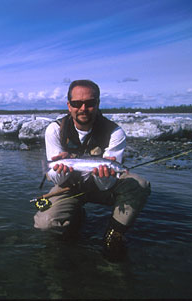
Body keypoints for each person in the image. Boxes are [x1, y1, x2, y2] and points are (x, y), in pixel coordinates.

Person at [34, 79, 151, 262]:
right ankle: (75, 216)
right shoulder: (55, 130)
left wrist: (105, 177)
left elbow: (108, 185)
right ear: (68, 105)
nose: (82, 108)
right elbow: (57, 180)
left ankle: (114, 236)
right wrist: (61, 170)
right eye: (76, 103)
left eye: (89, 103)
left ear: (97, 104)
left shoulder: (115, 132)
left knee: (139, 185)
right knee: (44, 223)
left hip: (103, 186)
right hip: (69, 186)